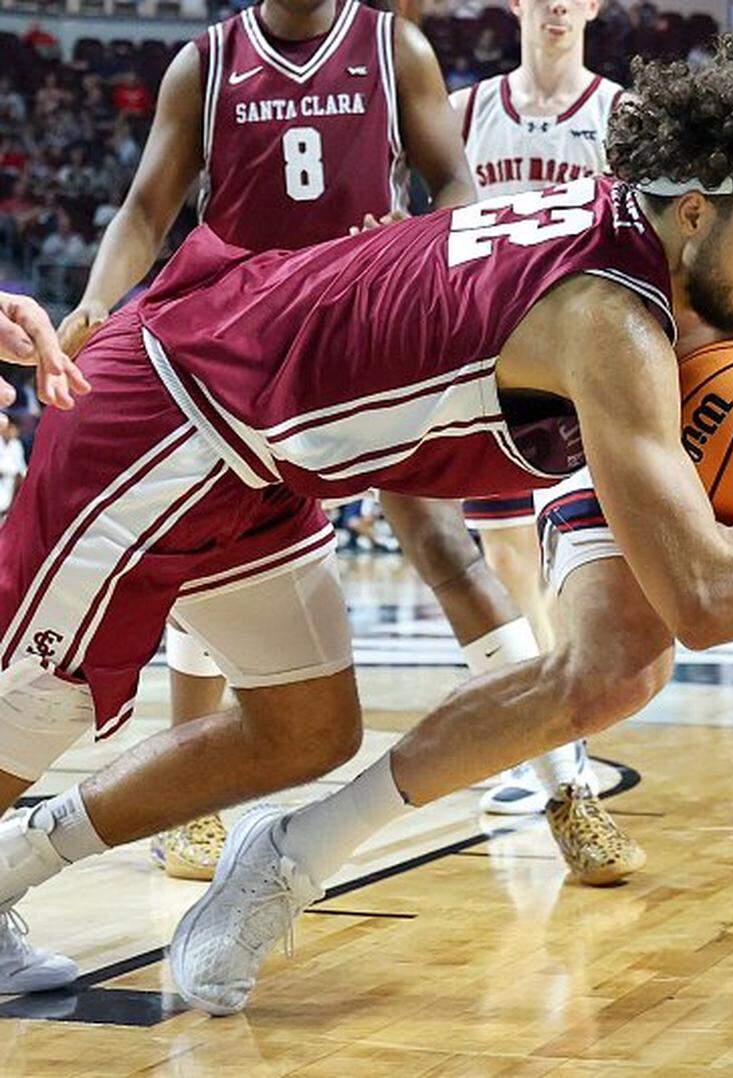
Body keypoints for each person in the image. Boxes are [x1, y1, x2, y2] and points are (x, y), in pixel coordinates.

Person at [0, 48, 733, 1021]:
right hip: (170, 414)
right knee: (29, 709)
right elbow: (704, 604)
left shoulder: (634, 240)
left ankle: (14, 866)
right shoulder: (609, 317)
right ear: (695, 212)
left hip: (266, 462)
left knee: (306, 731)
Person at [53, 0, 531, 888]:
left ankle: (565, 781)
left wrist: (420, 243)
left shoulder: (394, 47)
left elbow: (456, 189)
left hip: (362, 333)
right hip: (239, 347)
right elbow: (147, 207)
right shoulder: (206, 63)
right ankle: (188, 812)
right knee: (205, 562)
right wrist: (94, 300)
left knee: (445, 549)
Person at [445, 0, 636, 845]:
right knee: (506, 558)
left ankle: (561, 722)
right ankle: (545, 738)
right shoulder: (463, 112)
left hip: (584, 358)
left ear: (593, 7)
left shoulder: (622, 114)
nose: (558, 4)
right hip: (489, 356)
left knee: (572, 559)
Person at [0, 413, 24, 519]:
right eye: (12, 428)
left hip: (10, 485)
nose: (14, 432)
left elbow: (21, 469)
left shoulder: (16, 445)